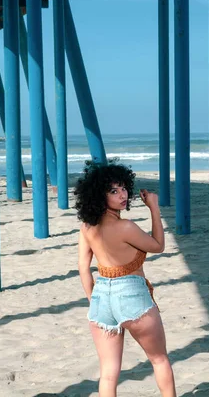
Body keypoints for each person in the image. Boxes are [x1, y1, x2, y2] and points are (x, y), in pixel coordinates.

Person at [74, 160, 176, 397]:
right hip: (132, 297)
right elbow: (158, 245)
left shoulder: (87, 227)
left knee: (108, 373)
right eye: (113, 191)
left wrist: (94, 300)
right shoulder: (126, 227)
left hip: (101, 299)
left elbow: (83, 266)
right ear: (99, 196)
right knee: (159, 359)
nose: (123, 195)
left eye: (123, 188)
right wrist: (154, 207)